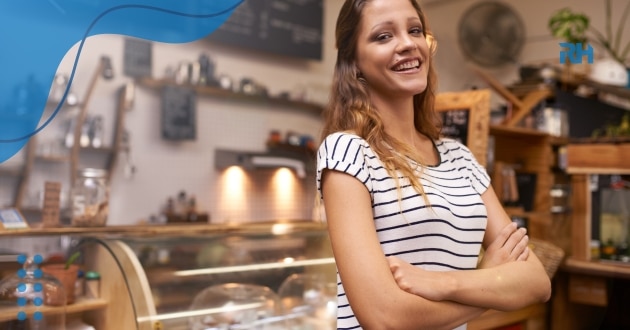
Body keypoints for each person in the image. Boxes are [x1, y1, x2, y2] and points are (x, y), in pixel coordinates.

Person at [315, 0, 552, 329]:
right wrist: (488, 283)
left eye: (414, 30)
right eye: (383, 36)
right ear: (354, 61)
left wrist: (443, 284)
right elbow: (385, 318)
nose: (408, 44)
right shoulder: (348, 152)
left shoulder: (460, 158)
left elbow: (537, 281)